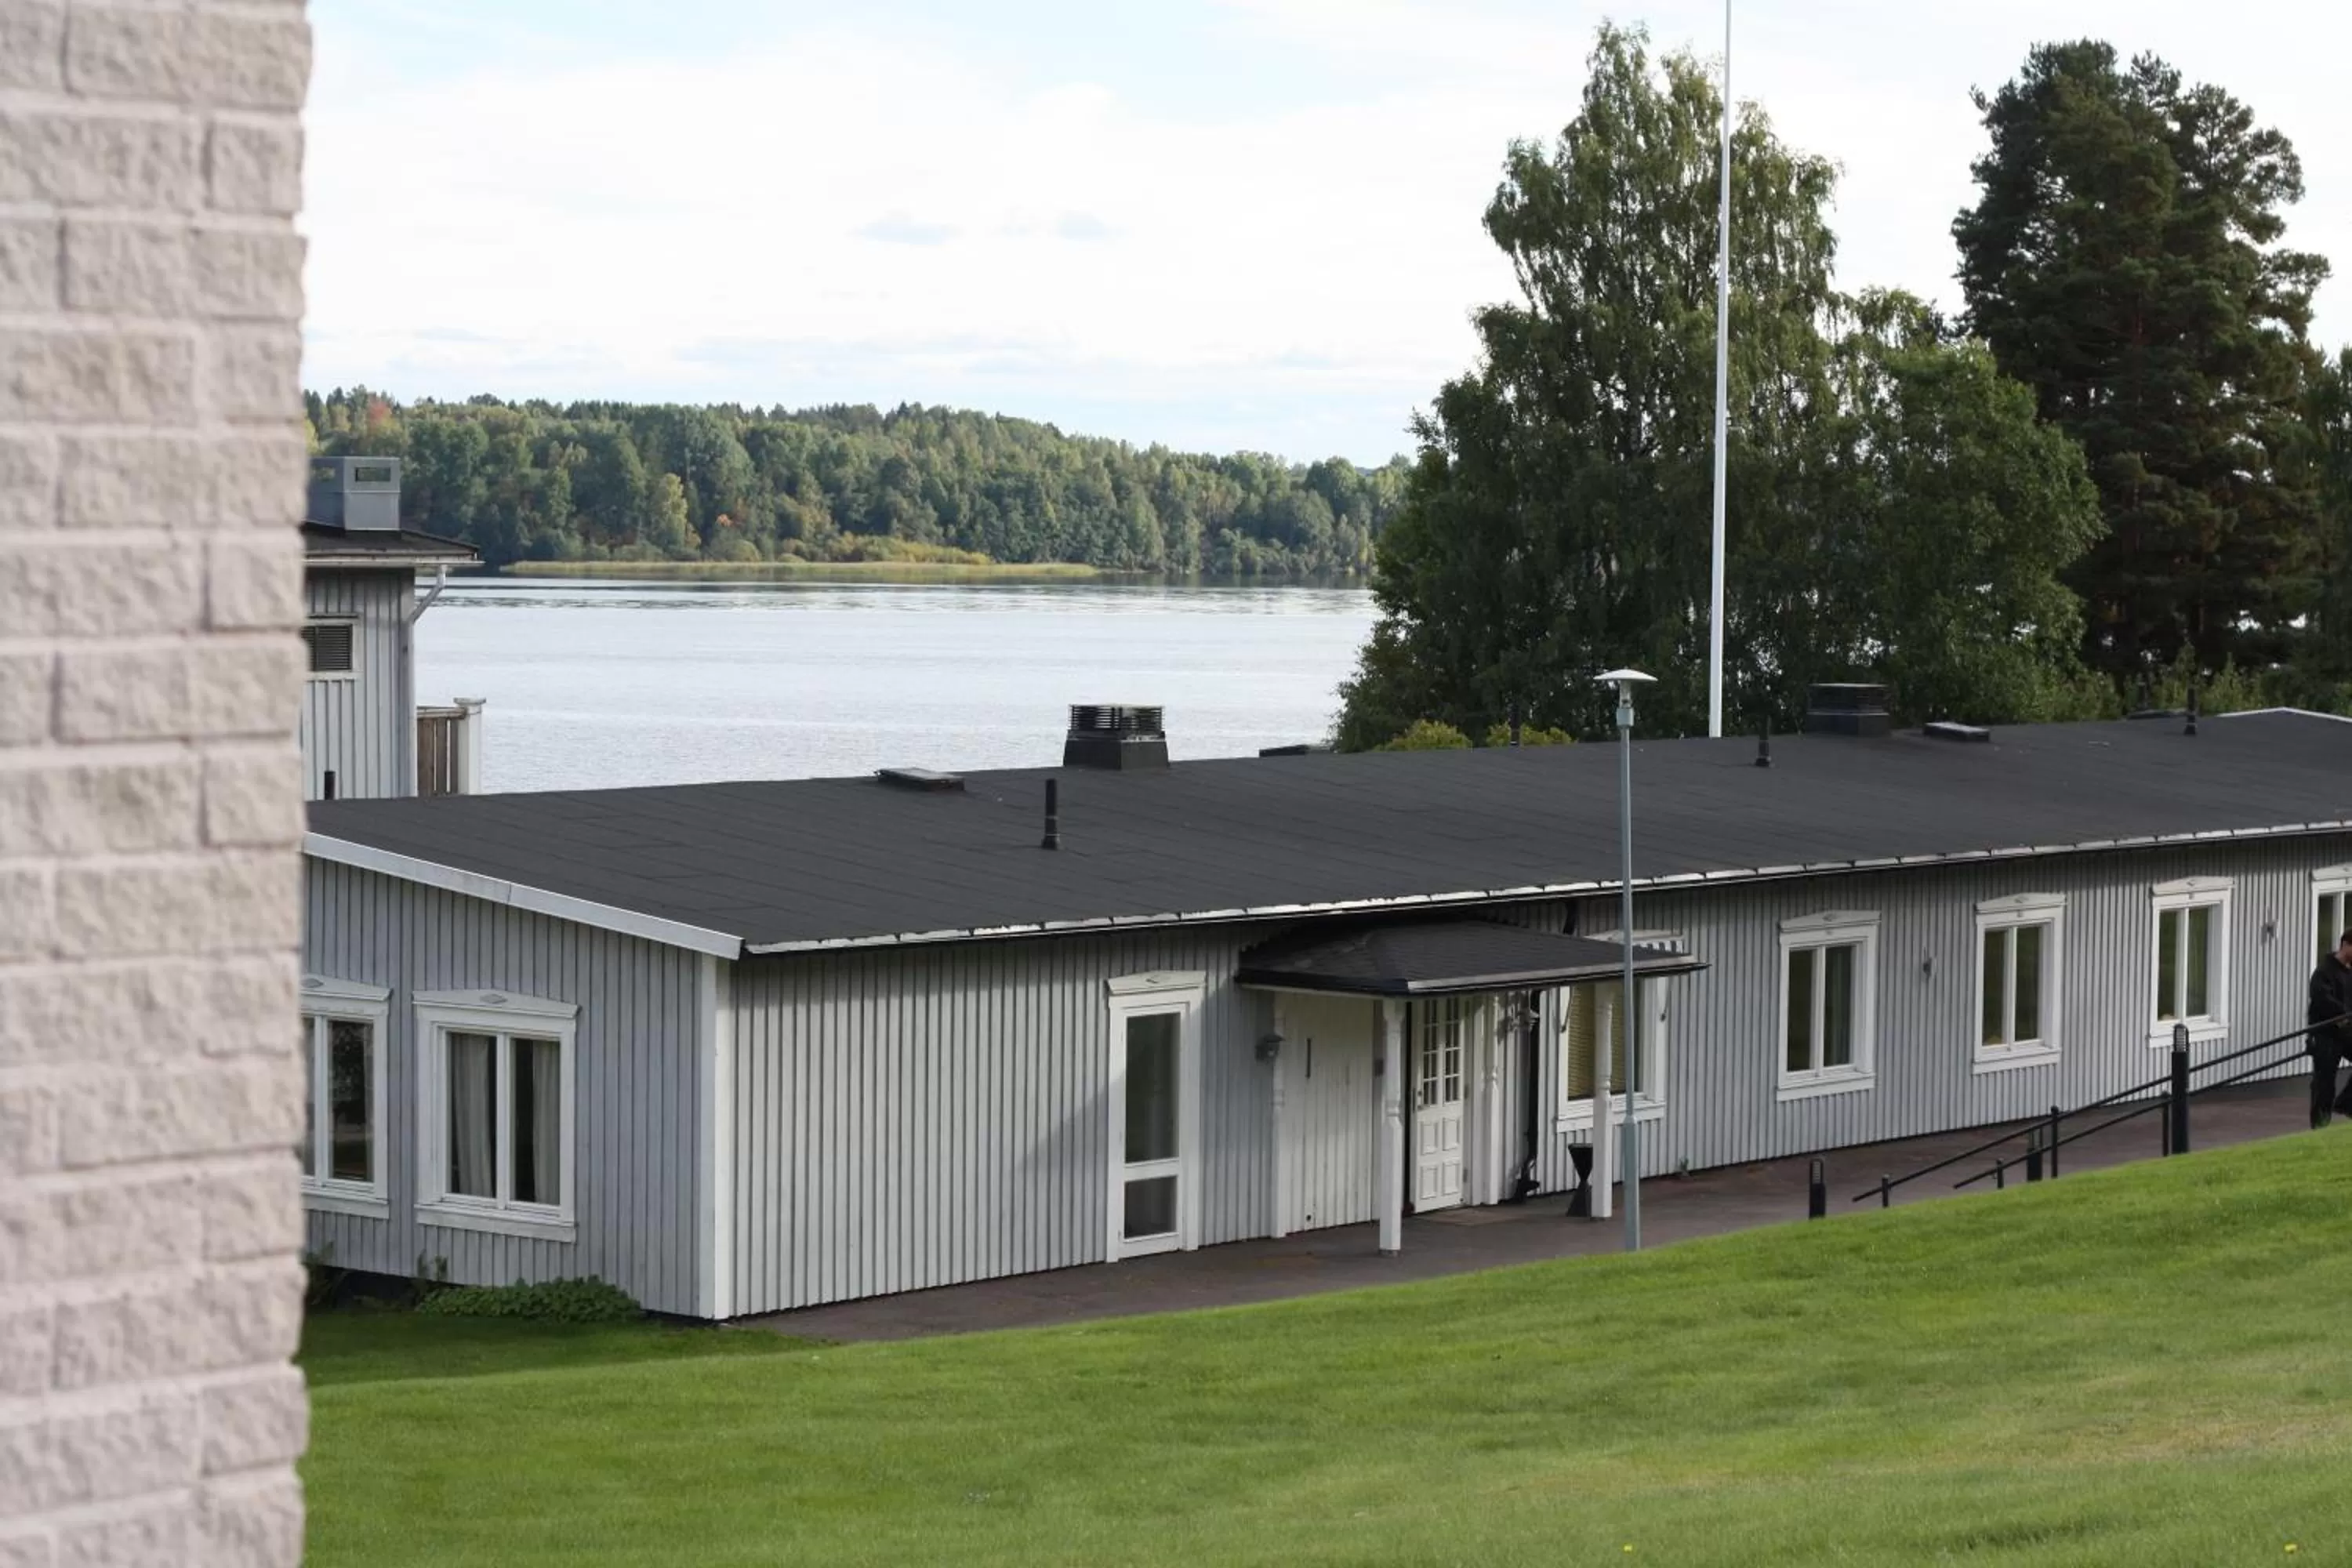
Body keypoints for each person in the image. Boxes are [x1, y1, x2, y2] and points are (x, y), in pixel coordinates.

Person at [2307, 932, 2352, 1127]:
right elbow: (2322, 999)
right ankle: (2320, 1123)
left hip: (2347, 1032)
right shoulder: (2323, 972)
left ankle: (2346, 1104)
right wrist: (2343, 1015)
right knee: (2324, 1081)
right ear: (2345, 945)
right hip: (2325, 1034)